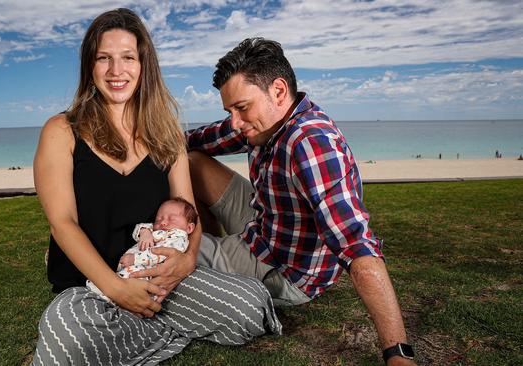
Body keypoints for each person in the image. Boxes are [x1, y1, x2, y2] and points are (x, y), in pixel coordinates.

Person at [31, 10, 280, 365]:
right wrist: (118, 289)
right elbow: (63, 222)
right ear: (90, 66)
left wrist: (186, 261)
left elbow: (187, 211)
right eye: (104, 58)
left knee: (251, 306)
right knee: (65, 336)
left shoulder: (167, 135)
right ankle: (157, 325)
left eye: (128, 58)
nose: (117, 71)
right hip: (92, 287)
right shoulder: (61, 131)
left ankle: (140, 328)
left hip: (160, 280)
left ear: (144, 64)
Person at [184, 38, 416, 365]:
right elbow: (202, 138)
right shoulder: (265, 121)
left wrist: (397, 353)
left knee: (172, 249)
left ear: (278, 91)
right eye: (230, 110)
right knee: (191, 160)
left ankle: (216, 257)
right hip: (266, 221)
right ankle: (219, 250)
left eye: (241, 107)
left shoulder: (311, 143)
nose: (235, 121)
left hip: (284, 268)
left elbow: (356, 246)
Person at [85, 197, 197, 301]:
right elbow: (139, 228)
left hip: (149, 272)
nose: (163, 222)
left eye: (171, 219)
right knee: (123, 280)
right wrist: (145, 232)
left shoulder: (178, 238)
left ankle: (102, 294)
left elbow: (160, 254)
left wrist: (135, 259)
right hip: (135, 267)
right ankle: (105, 291)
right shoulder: (156, 230)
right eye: (159, 219)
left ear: (189, 227)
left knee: (129, 281)